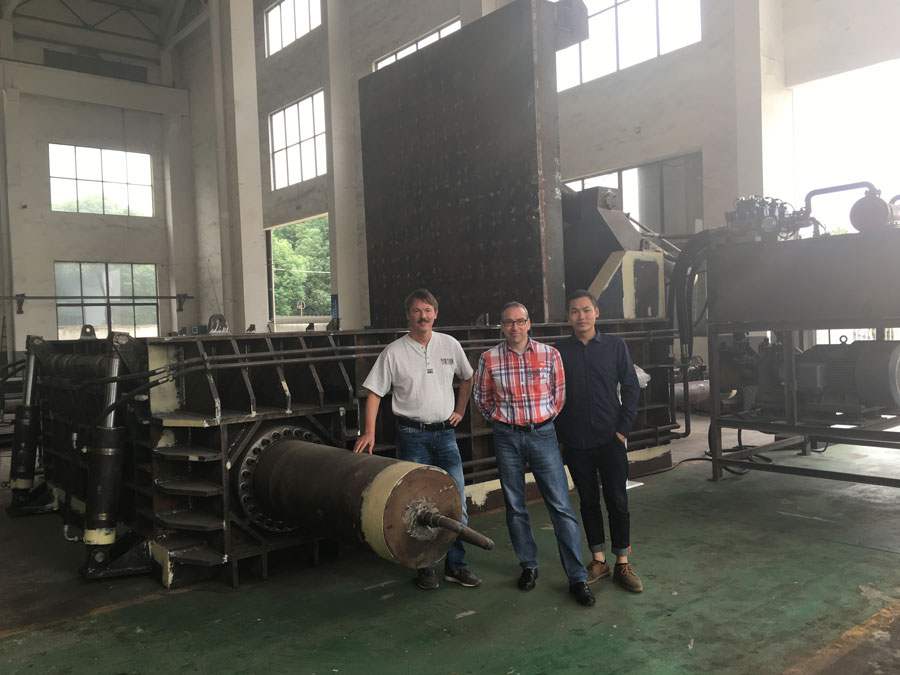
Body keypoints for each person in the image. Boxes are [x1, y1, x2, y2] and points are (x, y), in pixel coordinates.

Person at [354, 289, 481, 590]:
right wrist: (369, 431)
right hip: (412, 437)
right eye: (416, 311)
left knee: (456, 502)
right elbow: (374, 393)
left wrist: (460, 410)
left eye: (427, 310)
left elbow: (468, 377)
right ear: (408, 315)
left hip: (445, 435)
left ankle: (456, 567)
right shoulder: (394, 352)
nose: (422, 316)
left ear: (436, 313)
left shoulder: (449, 344)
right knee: (416, 506)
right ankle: (425, 566)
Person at [473, 301, 595, 607]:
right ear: (502, 327)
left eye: (520, 321)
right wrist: (503, 421)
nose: (514, 327)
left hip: (543, 435)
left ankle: (577, 577)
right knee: (515, 506)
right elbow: (482, 399)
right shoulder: (489, 358)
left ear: (529, 324)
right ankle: (528, 566)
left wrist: (541, 420)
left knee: (561, 506)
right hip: (507, 437)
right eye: (508, 322)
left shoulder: (549, 354)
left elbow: (559, 396)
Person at [554, 289, 643, 592]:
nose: (581, 316)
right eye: (574, 311)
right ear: (568, 317)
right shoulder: (559, 351)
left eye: (586, 310)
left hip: (610, 439)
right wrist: (562, 433)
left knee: (617, 500)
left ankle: (622, 562)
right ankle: (598, 560)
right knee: (588, 501)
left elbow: (631, 388)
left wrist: (622, 431)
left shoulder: (615, 346)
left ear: (596, 312)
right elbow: (552, 392)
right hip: (576, 441)